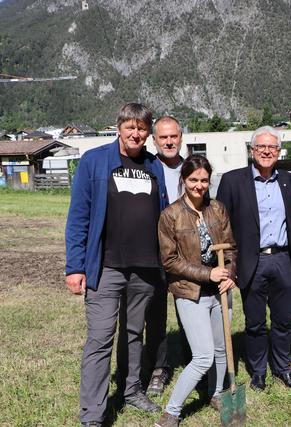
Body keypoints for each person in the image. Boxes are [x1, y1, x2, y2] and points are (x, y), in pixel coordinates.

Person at [65, 103, 169, 426]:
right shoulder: (95, 162)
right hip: (106, 267)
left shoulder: (155, 166)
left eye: (142, 128)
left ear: (148, 132)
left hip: (145, 269)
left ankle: (132, 390)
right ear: (119, 127)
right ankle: (93, 415)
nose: (136, 133)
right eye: (130, 127)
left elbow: (164, 213)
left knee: (133, 333)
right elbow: (79, 217)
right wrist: (75, 266)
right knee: (100, 338)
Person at [216, 126, 291, 391]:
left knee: (283, 320)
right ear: (252, 150)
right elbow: (220, 224)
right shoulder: (233, 180)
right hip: (251, 261)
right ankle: (258, 371)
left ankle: (283, 368)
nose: (267, 152)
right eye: (261, 147)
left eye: (272, 147)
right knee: (255, 322)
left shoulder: (288, 180)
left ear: (279, 152)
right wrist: (228, 265)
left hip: (282, 259)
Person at [155, 155, 237, 427]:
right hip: (190, 293)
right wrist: (207, 273)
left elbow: (230, 247)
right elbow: (169, 261)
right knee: (203, 356)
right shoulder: (170, 215)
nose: (199, 185)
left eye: (204, 180)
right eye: (193, 180)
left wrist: (230, 275)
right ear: (183, 180)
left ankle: (215, 394)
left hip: (219, 291)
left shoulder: (218, 209)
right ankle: (172, 412)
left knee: (222, 349)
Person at [144, 115, 186, 396]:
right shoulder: (145, 168)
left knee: (190, 310)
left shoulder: (192, 168)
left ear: (181, 137)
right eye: (163, 137)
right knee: (155, 314)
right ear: (154, 140)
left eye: (173, 136)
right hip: (154, 253)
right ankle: (160, 368)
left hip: (188, 253)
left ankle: (198, 361)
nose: (169, 141)